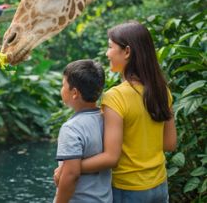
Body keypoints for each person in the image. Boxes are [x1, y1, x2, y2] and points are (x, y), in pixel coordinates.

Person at [58, 21, 176, 202]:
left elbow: (111, 158)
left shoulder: (115, 97)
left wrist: (69, 169)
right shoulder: (162, 91)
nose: (107, 53)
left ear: (127, 52)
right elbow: (169, 143)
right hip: (159, 185)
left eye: (110, 47)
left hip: (128, 190)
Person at [53, 59, 111, 203]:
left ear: (74, 93)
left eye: (63, 85)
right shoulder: (108, 120)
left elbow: (71, 175)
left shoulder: (71, 128)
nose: (61, 89)